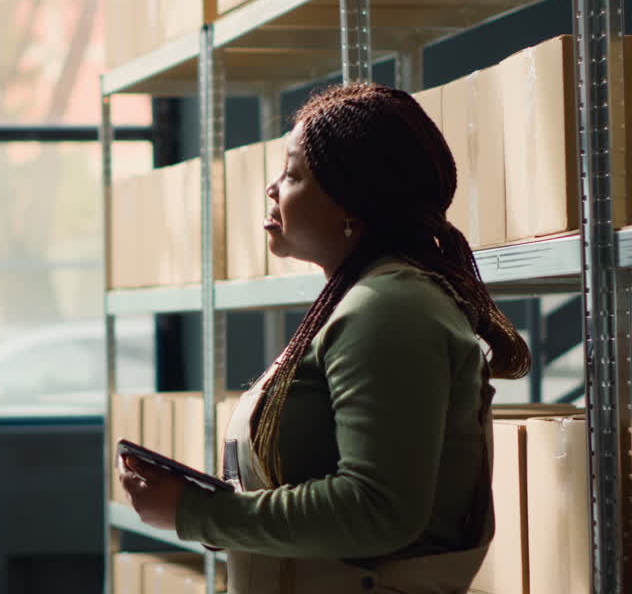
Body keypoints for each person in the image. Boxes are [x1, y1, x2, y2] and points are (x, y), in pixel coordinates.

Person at [119, 83, 531, 593]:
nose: (272, 188)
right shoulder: (365, 300)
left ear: (349, 203)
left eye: (293, 174)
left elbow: (378, 509)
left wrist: (202, 512)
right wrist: (207, 506)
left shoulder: (390, 308)